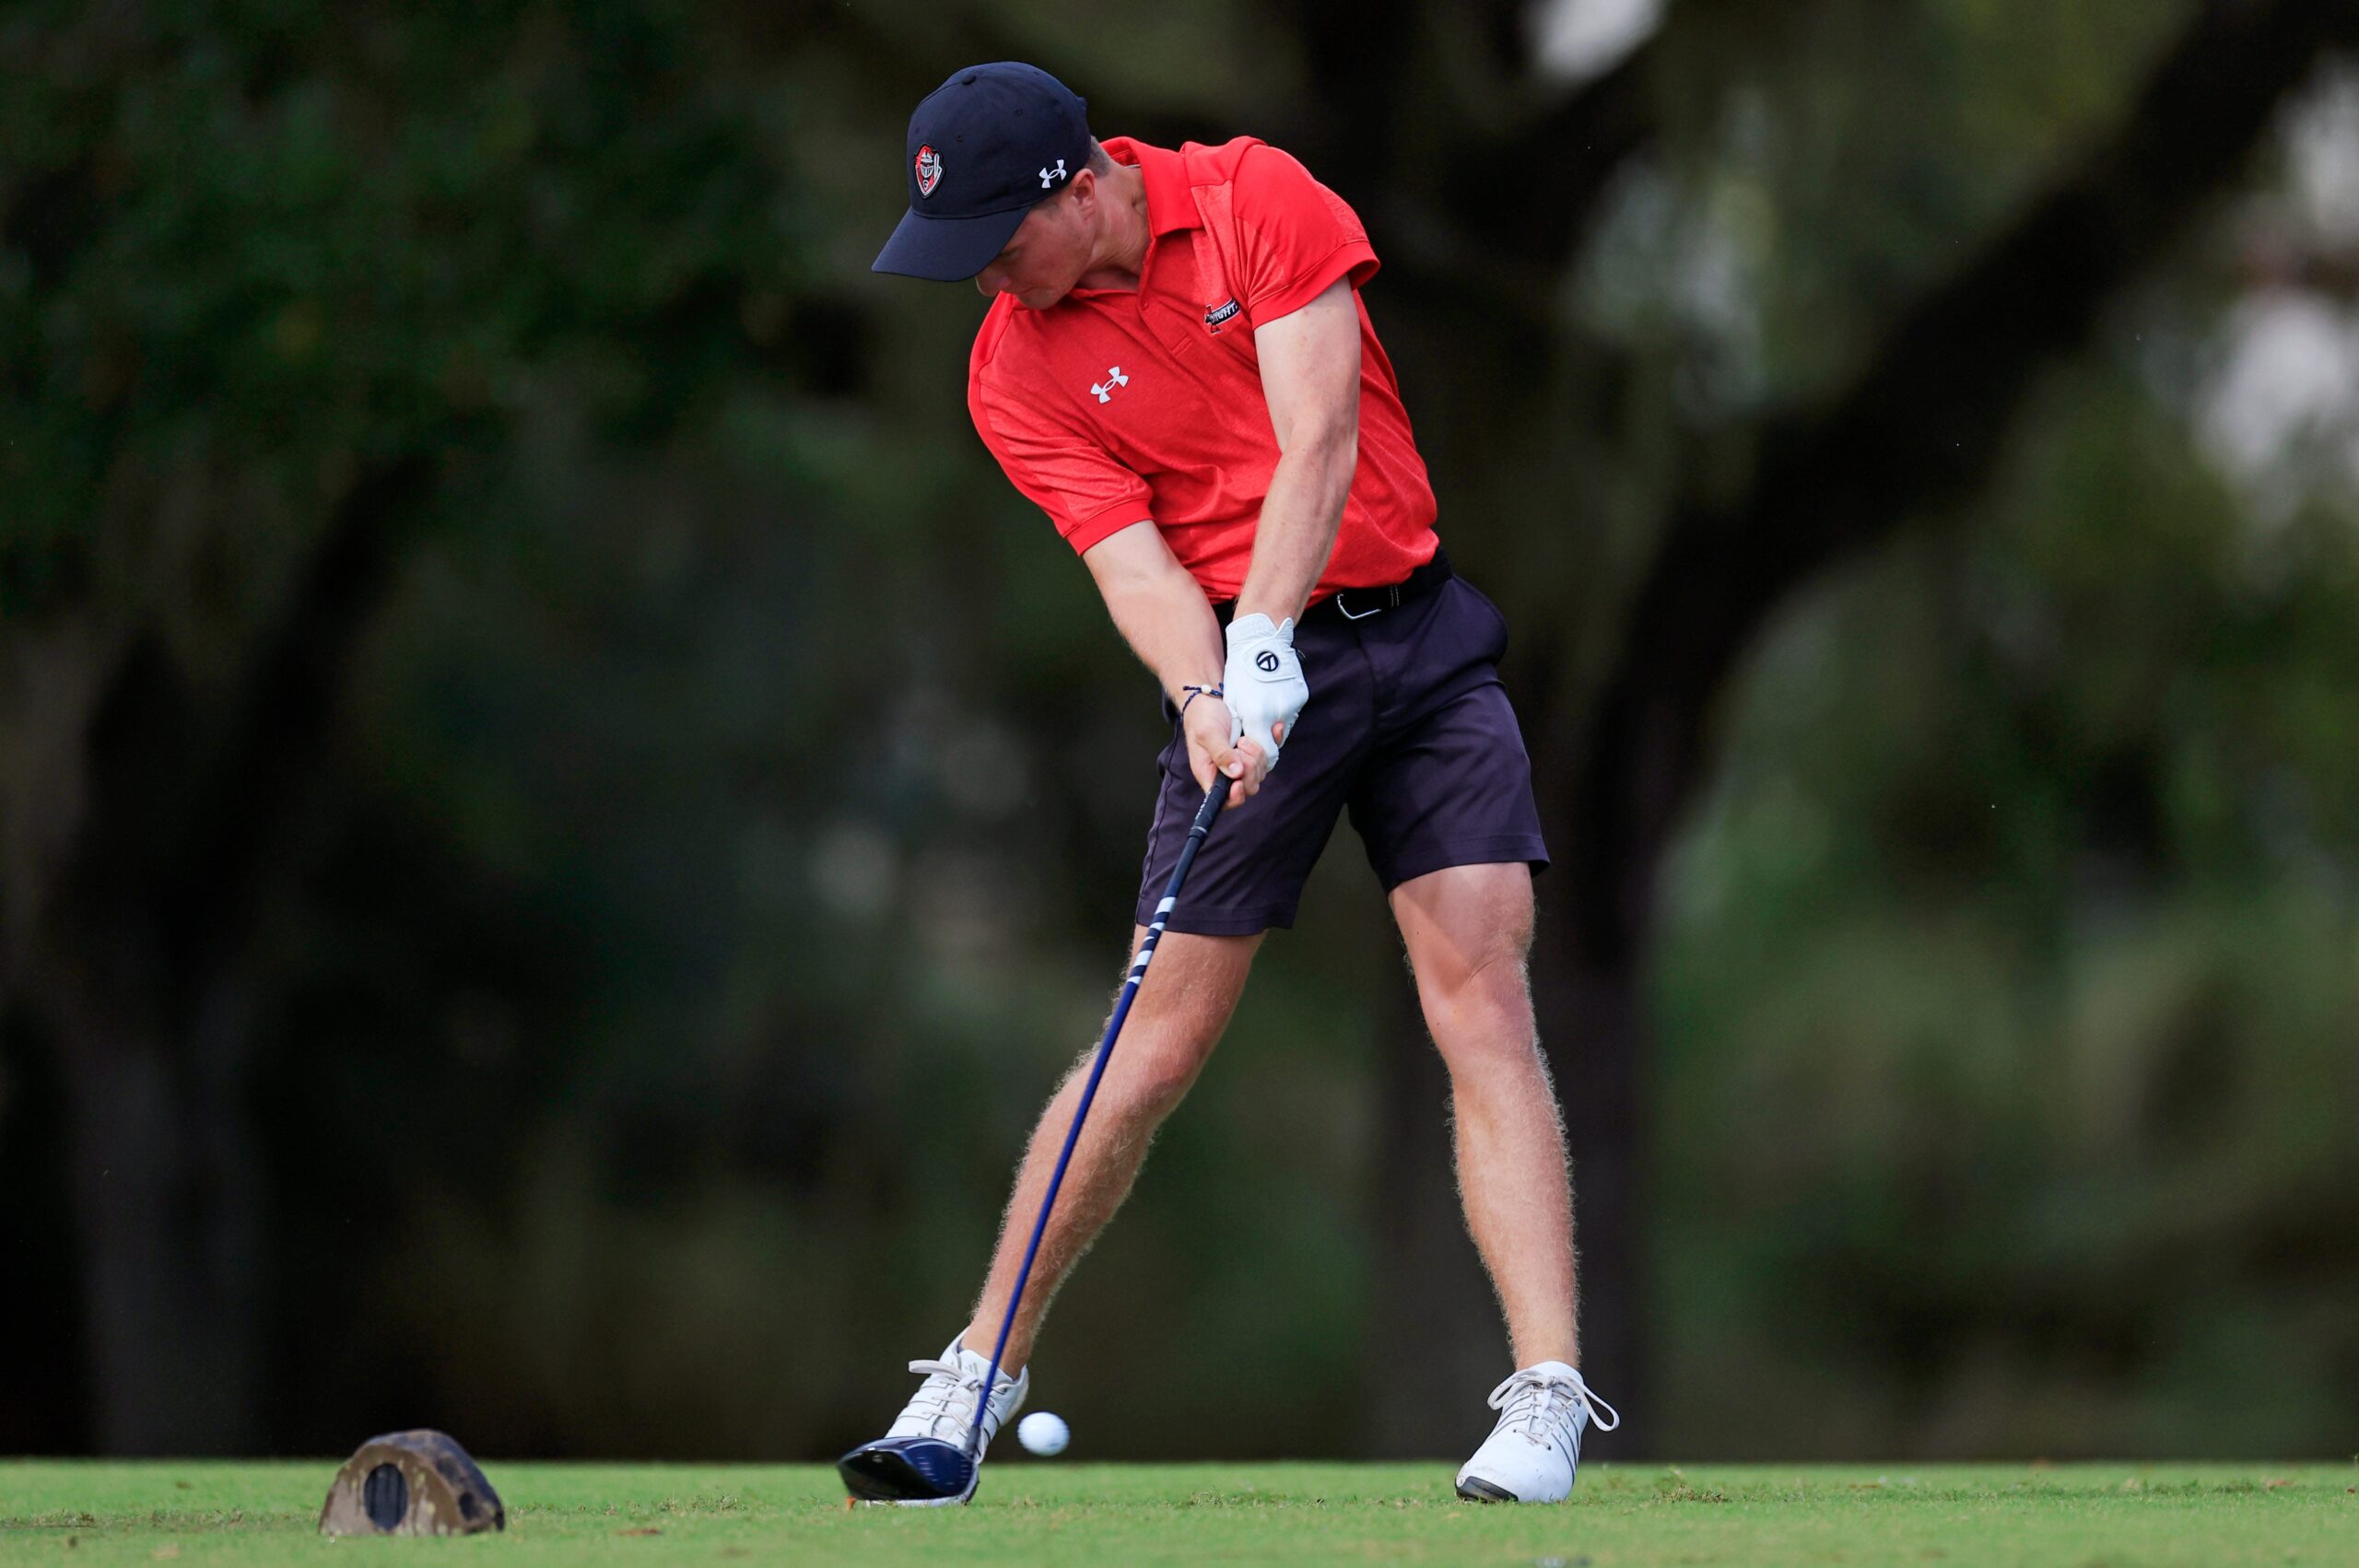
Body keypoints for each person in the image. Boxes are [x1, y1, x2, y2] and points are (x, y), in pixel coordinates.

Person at [841, 61, 1617, 1505]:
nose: (988, 282)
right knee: (1158, 1043)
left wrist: (1263, 631)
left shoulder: (1258, 199)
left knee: (1482, 985)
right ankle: (973, 1378)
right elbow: (1130, 563)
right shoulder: (1012, 365)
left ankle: (1547, 1395)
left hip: (1417, 644)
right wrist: (1209, 694)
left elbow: (1319, 440)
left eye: (1002, 242)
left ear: (1084, 187)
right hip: (1250, 683)